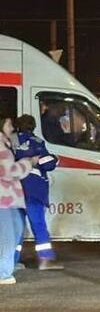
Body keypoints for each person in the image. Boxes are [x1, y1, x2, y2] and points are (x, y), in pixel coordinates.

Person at [14, 114, 64, 270]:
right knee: (39, 225)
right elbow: (46, 163)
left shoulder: (11, 141)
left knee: (17, 226)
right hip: (34, 190)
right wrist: (55, 158)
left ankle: (12, 261)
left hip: (15, 190)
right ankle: (45, 260)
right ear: (33, 126)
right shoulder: (36, 142)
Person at [0, 114, 36, 285]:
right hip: (3, 199)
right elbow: (10, 171)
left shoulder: (5, 144)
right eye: (8, 124)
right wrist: (28, 162)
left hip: (9, 198)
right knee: (8, 236)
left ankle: (7, 267)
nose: (12, 128)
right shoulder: (1, 146)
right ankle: (3, 273)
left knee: (16, 229)